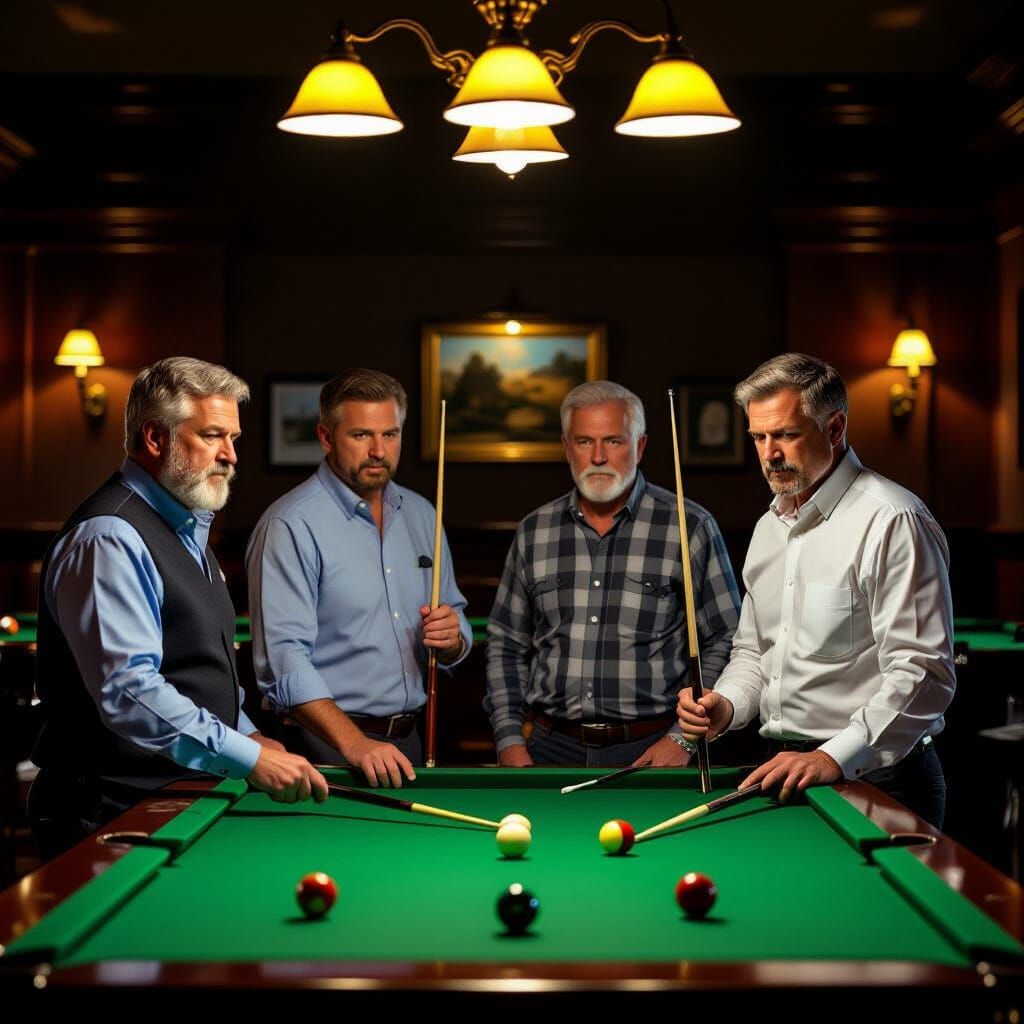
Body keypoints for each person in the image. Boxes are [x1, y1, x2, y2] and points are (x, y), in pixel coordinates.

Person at [30, 357, 328, 861]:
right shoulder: (111, 536)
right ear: (154, 438)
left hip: (170, 799)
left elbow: (198, 657)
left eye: (233, 438)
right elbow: (129, 691)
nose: (230, 455)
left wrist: (247, 730)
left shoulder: (187, 526)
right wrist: (247, 756)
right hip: (104, 810)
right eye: (212, 436)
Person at [677, 353, 954, 827]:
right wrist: (726, 704)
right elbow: (754, 652)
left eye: (785, 434)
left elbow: (924, 674)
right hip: (780, 768)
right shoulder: (770, 526)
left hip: (879, 776)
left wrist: (833, 756)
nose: (769, 454)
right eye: (759, 437)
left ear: (834, 428)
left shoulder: (892, 520)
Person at [486, 380, 741, 768]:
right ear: (566, 448)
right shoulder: (534, 531)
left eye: (615, 441)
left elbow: (726, 640)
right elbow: (506, 644)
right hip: (548, 748)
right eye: (585, 441)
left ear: (639, 447)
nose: (599, 456)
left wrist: (683, 740)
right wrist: (508, 739)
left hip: (652, 747)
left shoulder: (689, 526)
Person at [246, 368, 472, 788]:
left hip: (410, 744)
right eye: (361, 435)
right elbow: (284, 662)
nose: (378, 450)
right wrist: (353, 743)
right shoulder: (290, 525)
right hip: (326, 750)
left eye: (390, 434)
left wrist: (454, 637)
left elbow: (456, 618)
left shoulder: (423, 514)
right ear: (326, 437)